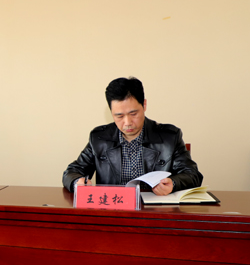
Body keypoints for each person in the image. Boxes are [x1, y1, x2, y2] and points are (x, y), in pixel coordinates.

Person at [63, 77, 202, 196]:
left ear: (144, 105)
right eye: (119, 116)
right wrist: (77, 182)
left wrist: (173, 183)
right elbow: (72, 171)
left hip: (154, 212)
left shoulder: (169, 137)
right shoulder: (99, 138)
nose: (127, 122)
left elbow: (192, 175)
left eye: (133, 114)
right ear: (111, 112)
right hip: (114, 211)